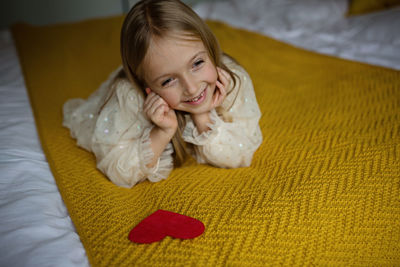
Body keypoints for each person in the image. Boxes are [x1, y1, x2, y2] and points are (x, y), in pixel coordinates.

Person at [63, 0, 263, 188]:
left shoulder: (231, 79)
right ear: (147, 86)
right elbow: (120, 171)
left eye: (197, 63)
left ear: (210, 48)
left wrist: (203, 114)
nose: (192, 88)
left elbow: (240, 153)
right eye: (168, 81)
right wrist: (162, 132)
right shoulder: (132, 97)